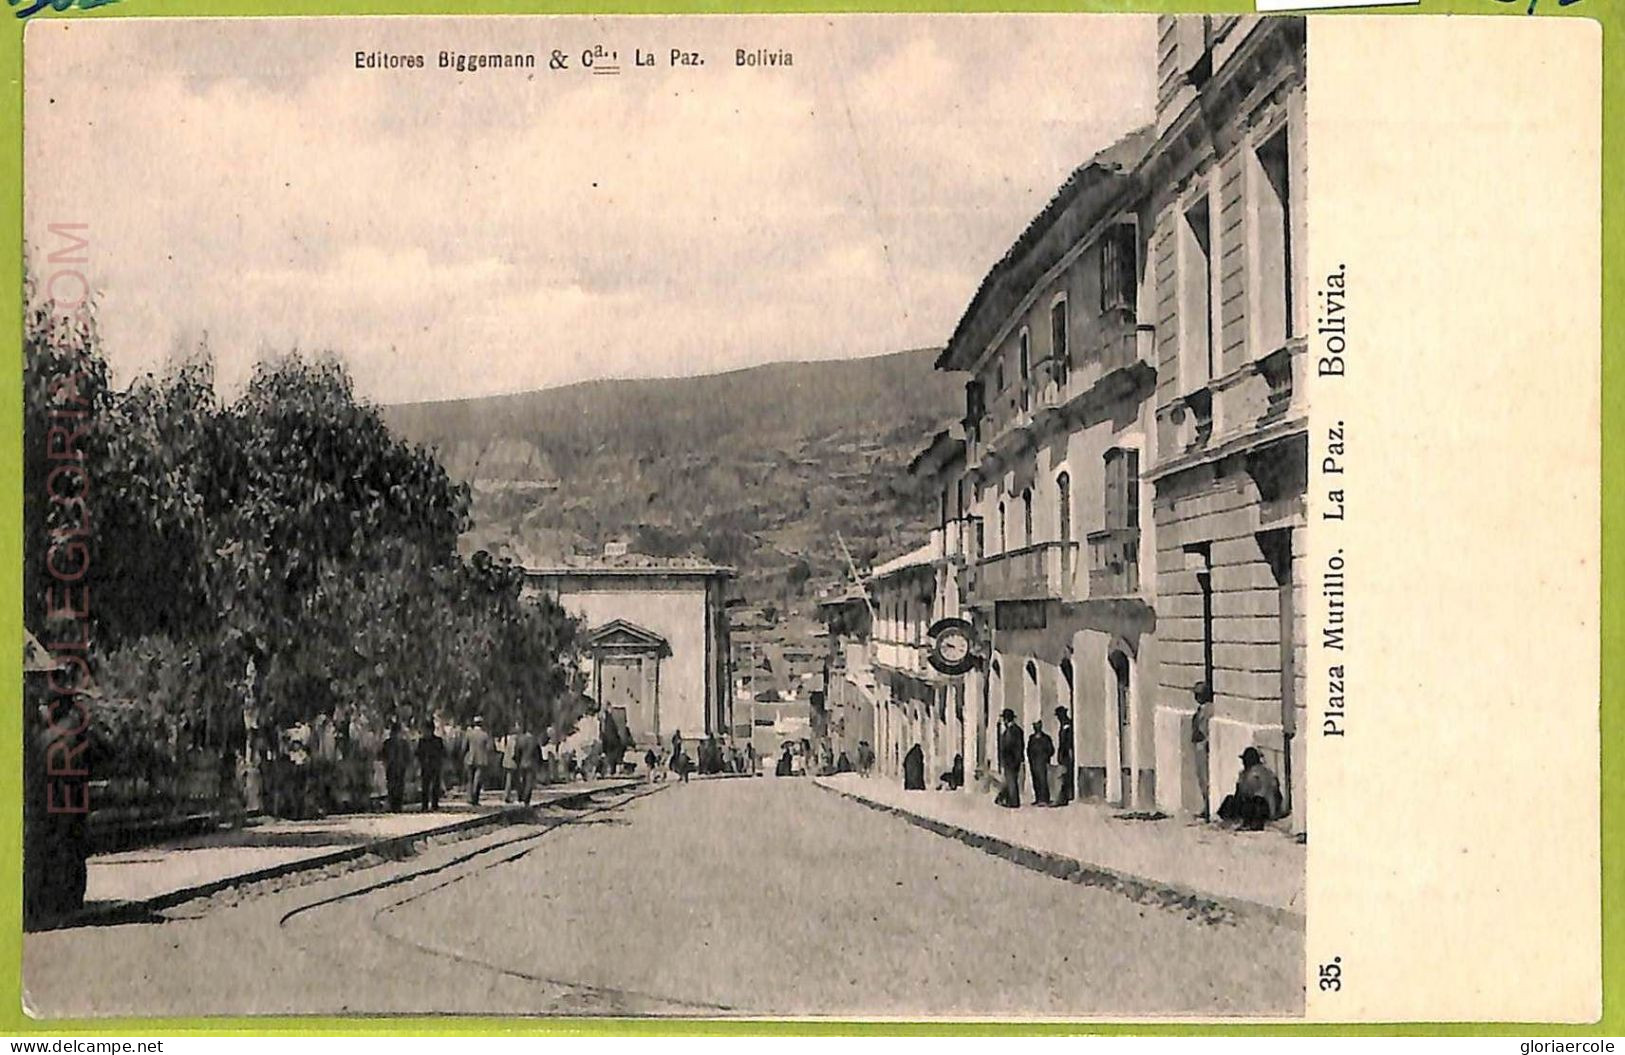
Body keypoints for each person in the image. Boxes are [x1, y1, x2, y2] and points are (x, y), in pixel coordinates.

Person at [1218, 747, 1284, 830]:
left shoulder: (1256, 773)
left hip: (1263, 808)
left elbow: (1246, 793)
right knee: (1231, 799)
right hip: (1267, 807)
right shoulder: (1263, 771)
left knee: (1251, 802)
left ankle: (1245, 822)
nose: (1243, 763)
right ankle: (1232, 820)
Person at [1191, 681, 1214, 819]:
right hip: (1199, 745)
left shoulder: (1208, 710)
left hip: (1203, 746)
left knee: (1205, 777)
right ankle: (1205, 805)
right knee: (1201, 777)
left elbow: (1205, 729)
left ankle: (1208, 807)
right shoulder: (1202, 709)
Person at [996, 709, 1024, 808]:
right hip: (1009, 760)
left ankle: (1013, 802)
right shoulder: (1010, 730)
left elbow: (1017, 747)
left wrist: (1016, 760)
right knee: (1009, 781)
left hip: (1011, 760)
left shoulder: (1014, 731)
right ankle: (1009, 800)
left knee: (1012, 781)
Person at [382, 721, 413, 812]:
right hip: (391, 767)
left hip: (400, 767)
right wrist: (386, 763)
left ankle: (398, 805)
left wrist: (407, 764)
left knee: (399, 786)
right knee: (391, 786)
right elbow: (383, 754)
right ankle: (393, 804)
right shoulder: (387, 743)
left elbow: (408, 755)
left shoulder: (403, 743)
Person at [464, 715, 494, 805]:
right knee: (477, 780)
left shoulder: (469, 734)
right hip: (481, 760)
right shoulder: (485, 735)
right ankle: (475, 799)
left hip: (470, 758)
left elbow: (464, 747)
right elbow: (489, 748)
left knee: (470, 779)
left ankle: (469, 798)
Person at [416, 719, 445, 811]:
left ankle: (434, 804)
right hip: (425, 766)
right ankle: (424, 805)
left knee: (435, 786)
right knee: (425, 786)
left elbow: (442, 753)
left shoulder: (438, 740)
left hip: (435, 766)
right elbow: (418, 753)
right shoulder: (422, 741)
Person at [1027, 719, 1054, 806]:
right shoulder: (1032, 738)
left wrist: (1046, 757)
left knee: (1043, 781)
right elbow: (1028, 750)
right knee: (1035, 780)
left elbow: (1051, 750)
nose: (1036, 728)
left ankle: (1045, 799)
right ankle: (1038, 798)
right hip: (1034, 762)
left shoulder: (1046, 738)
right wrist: (1030, 759)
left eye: (1038, 726)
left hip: (1042, 762)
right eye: (1035, 726)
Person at [514, 724, 540, 805]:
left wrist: (517, 761)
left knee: (521, 781)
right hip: (531, 763)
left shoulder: (520, 740)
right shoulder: (535, 741)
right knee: (529, 782)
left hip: (522, 763)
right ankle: (526, 800)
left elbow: (517, 752)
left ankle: (520, 797)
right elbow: (538, 754)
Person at [1054, 706, 1075, 806]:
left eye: (1059, 715)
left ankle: (1064, 797)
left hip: (1067, 754)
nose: (1058, 718)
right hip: (1064, 753)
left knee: (1065, 776)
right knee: (1064, 775)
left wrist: (1065, 753)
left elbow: (1067, 742)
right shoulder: (1064, 725)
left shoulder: (1067, 725)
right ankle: (1064, 796)